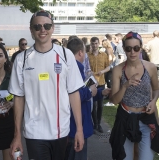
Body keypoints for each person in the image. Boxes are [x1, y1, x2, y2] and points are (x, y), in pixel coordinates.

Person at [9, 10, 84, 160]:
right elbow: (18, 98)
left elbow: (73, 93)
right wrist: (17, 136)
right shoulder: (22, 59)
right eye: (37, 27)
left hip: (61, 131)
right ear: (31, 30)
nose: (42, 30)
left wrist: (79, 130)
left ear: (53, 28)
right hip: (34, 132)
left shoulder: (65, 54)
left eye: (47, 26)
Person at [109, 31, 159, 160]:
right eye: (128, 48)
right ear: (124, 49)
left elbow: (156, 89)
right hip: (126, 118)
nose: (132, 52)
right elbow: (114, 100)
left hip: (146, 119)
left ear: (141, 47)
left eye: (136, 48)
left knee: (146, 158)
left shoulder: (150, 67)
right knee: (125, 157)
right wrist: (125, 85)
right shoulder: (118, 70)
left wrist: (153, 101)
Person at [65, 37, 111, 160]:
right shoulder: (75, 69)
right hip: (75, 126)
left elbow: (83, 95)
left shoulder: (68, 68)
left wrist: (100, 93)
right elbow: (75, 96)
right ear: (81, 52)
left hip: (71, 126)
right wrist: (90, 90)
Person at [88, 37, 109, 133]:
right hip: (92, 83)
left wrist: (103, 71)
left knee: (100, 105)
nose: (94, 45)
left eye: (96, 43)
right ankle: (95, 123)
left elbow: (108, 67)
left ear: (99, 44)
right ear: (90, 44)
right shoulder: (87, 55)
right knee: (94, 105)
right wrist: (89, 72)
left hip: (101, 82)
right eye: (93, 44)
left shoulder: (104, 55)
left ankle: (99, 124)